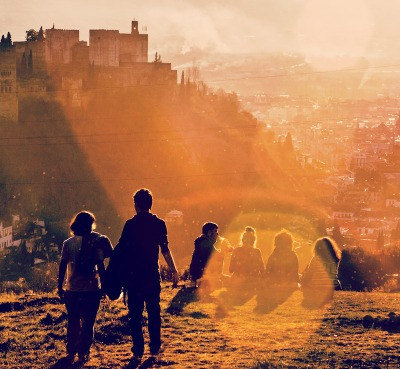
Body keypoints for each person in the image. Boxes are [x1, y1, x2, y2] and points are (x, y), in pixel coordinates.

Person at [118, 188, 179, 362]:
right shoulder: (159, 223)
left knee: (135, 314)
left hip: (133, 276)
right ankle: (155, 346)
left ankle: (138, 349)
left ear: (135, 205)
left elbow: (122, 250)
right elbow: (165, 250)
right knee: (154, 311)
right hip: (152, 274)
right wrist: (174, 271)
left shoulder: (130, 225)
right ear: (151, 204)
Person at [58, 211, 112, 365]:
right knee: (88, 322)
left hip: (72, 290)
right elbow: (102, 264)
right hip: (92, 290)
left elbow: (62, 266)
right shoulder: (96, 241)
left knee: (73, 320)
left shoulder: (68, 243)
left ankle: (71, 349)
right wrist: (105, 285)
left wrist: (59, 286)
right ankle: (84, 352)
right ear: (90, 225)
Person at [301, 237, 341, 307]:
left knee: (303, 276)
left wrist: (303, 279)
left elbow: (309, 275)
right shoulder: (336, 259)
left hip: (316, 286)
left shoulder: (316, 259)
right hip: (332, 288)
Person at [228, 226, 264, 291]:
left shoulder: (236, 250)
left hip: (238, 281)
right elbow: (262, 271)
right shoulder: (257, 251)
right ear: (254, 240)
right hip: (253, 281)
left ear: (242, 240)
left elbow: (230, 270)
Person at [189, 222, 222, 288]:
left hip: (197, 273)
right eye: (215, 231)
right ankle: (202, 281)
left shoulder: (203, 242)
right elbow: (215, 257)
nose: (217, 234)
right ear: (209, 232)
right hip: (202, 274)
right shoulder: (206, 243)